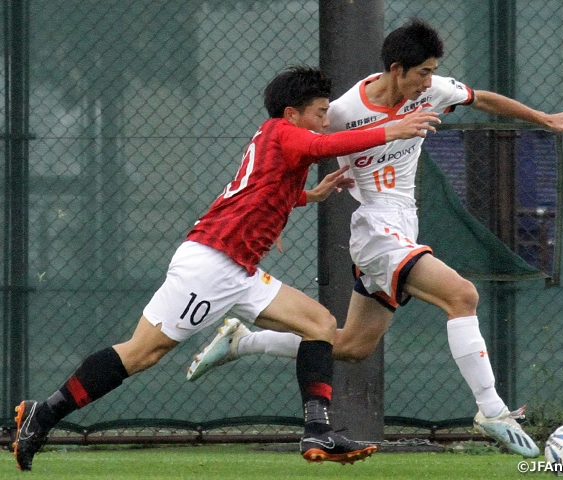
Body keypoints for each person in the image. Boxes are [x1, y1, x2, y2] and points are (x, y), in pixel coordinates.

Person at [187, 20, 563, 459]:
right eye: (423, 73)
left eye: (434, 72)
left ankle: (242, 341)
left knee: (352, 346)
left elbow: (482, 98)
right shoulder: (340, 112)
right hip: (376, 230)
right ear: (397, 69)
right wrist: (281, 212)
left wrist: (543, 118)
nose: (430, 82)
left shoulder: (429, 93)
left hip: (403, 225)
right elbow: (290, 156)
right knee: (462, 295)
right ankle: (490, 409)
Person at [12, 65, 441, 471]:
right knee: (143, 352)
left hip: (240, 270)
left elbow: (265, 188)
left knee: (319, 324)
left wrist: (311, 195)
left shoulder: (280, 139)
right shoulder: (284, 132)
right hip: (212, 264)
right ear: (293, 113)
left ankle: (317, 432)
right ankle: (43, 414)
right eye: (320, 112)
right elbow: (322, 147)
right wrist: (391, 129)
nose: (327, 121)